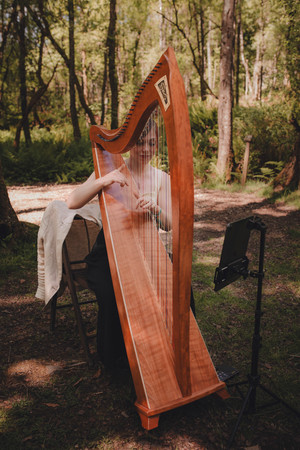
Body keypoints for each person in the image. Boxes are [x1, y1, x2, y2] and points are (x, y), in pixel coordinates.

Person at [67, 118, 173, 368]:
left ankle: (165, 347)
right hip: (108, 250)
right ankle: (115, 358)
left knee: (176, 287)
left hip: (148, 247)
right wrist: (102, 182)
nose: (146, 149)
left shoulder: (161, 178)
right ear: (127, 145)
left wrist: (156, 209)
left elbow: (168, 224)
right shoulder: (110, 170)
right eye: (140, 143)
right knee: (111, 294)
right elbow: (72, 202)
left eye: (152, 143)